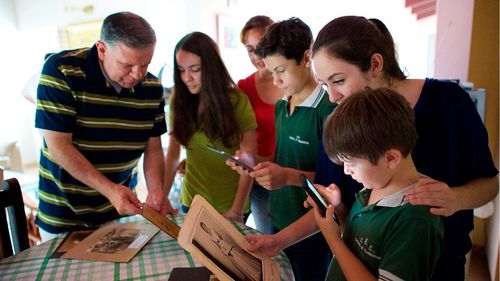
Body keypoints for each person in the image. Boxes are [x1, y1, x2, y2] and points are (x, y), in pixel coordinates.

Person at [257, 15, 498, 281]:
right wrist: (279, 241)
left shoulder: (449, 104)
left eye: (338, 81)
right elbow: (332, 204)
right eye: (325, 85)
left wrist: (454, 198)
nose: (333, 97)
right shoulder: (340, 120)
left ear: (375, 64)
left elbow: (489, 184)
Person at [35, 12, 168, 241]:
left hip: (120, 212)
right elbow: (58, 147)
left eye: (145, 64)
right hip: (65, 215)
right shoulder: (61, 71)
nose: (138, 75)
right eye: (127, 65)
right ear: (102, 49)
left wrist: (156, 189)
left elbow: (153, 147)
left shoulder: (152, 87)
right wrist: (110, 190)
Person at [235, 18, 336, 281]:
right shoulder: (283, 105)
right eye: (271, 72)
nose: (276, 80)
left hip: (311, 226)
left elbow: (336, 185)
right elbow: (281, 158)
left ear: (306, 57)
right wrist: (252, 162)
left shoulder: (328, 111)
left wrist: (287, 176)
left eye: (280, 70)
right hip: (277, 216)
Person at [308, 87, 444, 280]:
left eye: (351, 162)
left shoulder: (415, 222)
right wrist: (339, 208)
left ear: (390, 158)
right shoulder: (373, 186)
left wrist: (332, 239)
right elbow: (358, 243)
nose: (346, 171)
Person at [163, 32, 257, 222]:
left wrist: (237, 210)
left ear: (211, 67)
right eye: (181, 70)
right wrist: (162, 197)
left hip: (231, 203)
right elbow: (173, 154)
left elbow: (249, 161)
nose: (187, 77)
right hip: (192, 200)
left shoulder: (236, 100)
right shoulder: (178, 102)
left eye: (195, 69)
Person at [237, 15, 283, 234]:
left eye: (262, 46)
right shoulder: (243, 88)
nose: (257, 55)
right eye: (249, 48)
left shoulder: (293, 82)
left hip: (295, 179)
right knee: (267, 241)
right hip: (260, 182)